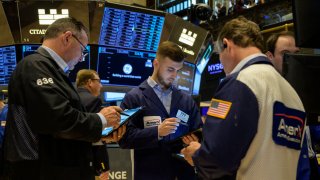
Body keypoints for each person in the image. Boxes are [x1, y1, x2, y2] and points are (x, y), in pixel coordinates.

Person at [181, 16, 310, 179]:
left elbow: (216, 158)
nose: (221, 63)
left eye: (219, 54)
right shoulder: (292, 94)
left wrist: (196, 155)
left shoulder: (238, 82)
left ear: (227, 45)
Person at [2, 17, 122, 180]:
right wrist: (101, 119)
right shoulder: (36, 65)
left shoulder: (50, 69)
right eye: (83, 49)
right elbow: (58, 120)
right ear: (67, 38)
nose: (82, 58)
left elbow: (53, 130)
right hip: (42, 172)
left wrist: (99, 133)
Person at [118, 41, 203, 180]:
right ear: (156, 64)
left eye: (178, 70)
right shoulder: (134, 97)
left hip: (184, 173)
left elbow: (199, 130)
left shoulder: (186, 100)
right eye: (170, 69)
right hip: (150, 174)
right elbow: (124, 139)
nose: (174, 75)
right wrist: (157, 132)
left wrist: (196, 139)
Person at [76, 69, 126, 180]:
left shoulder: (71, 97)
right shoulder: (93, 100)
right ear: (89, 82)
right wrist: (103, 166)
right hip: (87, 161)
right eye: (98, 81)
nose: (101, 85)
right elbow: (95, 136)